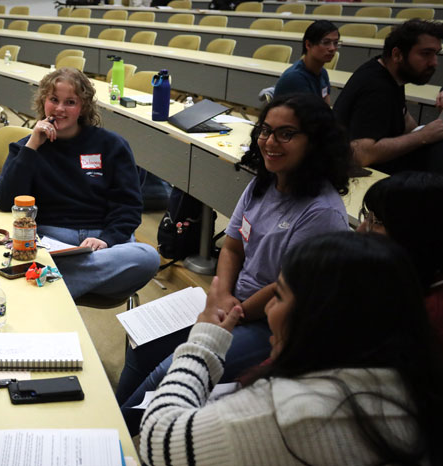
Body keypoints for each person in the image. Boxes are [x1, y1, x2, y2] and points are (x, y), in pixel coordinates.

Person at [117, 93, 351, 434]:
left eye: (286, 134)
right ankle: (117, 421)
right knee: (143, 347)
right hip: (232, 304)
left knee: (168, 371)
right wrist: (222, 293)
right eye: (266, 131)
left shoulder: (322, 212)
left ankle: (118, 435)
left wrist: (232, 312)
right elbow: (232, 248)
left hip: (273, 322)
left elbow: (287, 286)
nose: (270, 142)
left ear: (314, 142)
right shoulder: (263, 183)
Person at [139, 232, 443, 466]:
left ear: (322, 316)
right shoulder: (411, 383)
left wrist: (204, 340)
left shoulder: (297, 415)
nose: (270, 307)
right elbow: (232, 246)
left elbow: (158, 441)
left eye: (280, 297)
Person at [0, 68, 160, 300]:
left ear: (83, 108)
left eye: (70, 102)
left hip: (104, 241)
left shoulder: (112, 145)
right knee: (26, 246)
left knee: (147, 257)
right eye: (54, 100)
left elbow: (128, 206)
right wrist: (32, 147)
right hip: (53, 239)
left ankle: (45, 281)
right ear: (43, 102)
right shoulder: (26, 148)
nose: (60, 109)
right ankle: (64, 281)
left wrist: (108, 239)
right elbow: (4, 201)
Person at [333, 19, 443, 174]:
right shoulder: (376, 88)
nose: (434, 62)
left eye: (436, 54)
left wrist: (426, 131)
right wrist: (423, 136)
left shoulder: (391, 71)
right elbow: (361, 155)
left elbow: (403, 116)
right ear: (397, 54)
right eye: (426, 54)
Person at [358, 171, 443, 347]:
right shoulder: (405, 276)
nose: (361, 230)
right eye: (367, 216)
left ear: (413, 233)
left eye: (377, 222)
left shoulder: (431, 313)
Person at [274, 20, 339, 104]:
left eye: (336, 43)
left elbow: (325, 106)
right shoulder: (294, 78)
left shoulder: (323, 73)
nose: (332, 48)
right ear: (308, 45)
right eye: (326, 42)